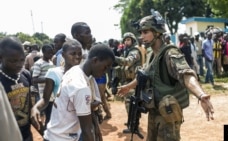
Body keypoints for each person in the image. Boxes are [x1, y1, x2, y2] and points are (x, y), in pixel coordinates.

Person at [117, 12, 214, 141]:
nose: (142, 36)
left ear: (157, 32)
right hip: (154, 111)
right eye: (141, 33)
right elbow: (143, 75)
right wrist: (127, 87)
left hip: (167, 114)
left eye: (146, 32)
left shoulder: (170, 53)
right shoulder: (151, 54)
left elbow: (186, 74)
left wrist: (201, 95)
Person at [42, 43, 115, 141]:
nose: (105, 71)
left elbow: (72, 104)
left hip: (54, 135)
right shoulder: (81, 86)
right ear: (95, 60)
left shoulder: (75, 70)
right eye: (105, 67)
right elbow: (86, 130)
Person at [30, 39, 83, 134]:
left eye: (79, 54)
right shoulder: (54, 73)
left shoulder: (83, 74)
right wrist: (36, 108)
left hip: (81, 124)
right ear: (63, 55)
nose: (77, 57)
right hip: (61, 124)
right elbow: (45, 99)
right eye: (73, 53)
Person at [0, 36, 33, 141]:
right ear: (1, 58)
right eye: (13, 61)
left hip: (26, 132)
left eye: (22, 60)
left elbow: (29, 100)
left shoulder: (26, 74)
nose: (19, 64)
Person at [113, 32, 142, 114]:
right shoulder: (126, 52)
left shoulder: (134, 52)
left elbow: (128, 62)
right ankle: (132, 122)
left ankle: (133, 124)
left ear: (133, 41)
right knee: (130, 103)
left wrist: (113, 57)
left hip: (134, 82)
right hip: (127, 81)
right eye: (125, 40)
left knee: (130, 104)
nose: (126, 42)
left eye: (128, 40)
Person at [32, 44, 55, 128]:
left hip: (52, 94)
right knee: (45, 115)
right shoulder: (38, 63)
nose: (51, 54)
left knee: (50, 116)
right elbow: (34, 79)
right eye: (49, 53)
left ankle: (47, 131)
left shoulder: (51, 62)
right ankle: (44, 131)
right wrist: (49, 79)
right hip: (44, 95)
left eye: (52, 52)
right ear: (43, 52)